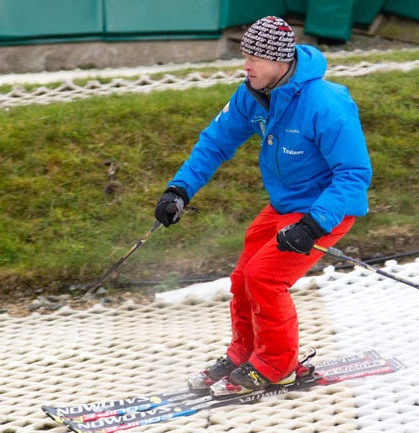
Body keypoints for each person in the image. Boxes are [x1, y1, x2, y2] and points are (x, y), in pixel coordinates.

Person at [153, 16, 373, 396]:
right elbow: (215, 143)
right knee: (242, 278)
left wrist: (312, 226)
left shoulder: (326, 104)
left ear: (280, 61)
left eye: (254, 57)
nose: (246, 65)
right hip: (284, 206)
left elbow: (353, 174)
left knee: (265, 279)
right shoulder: (251, 95)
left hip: (323, 211)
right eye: (245, 55)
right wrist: (180, 190)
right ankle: (246, 354)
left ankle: (277, 366)